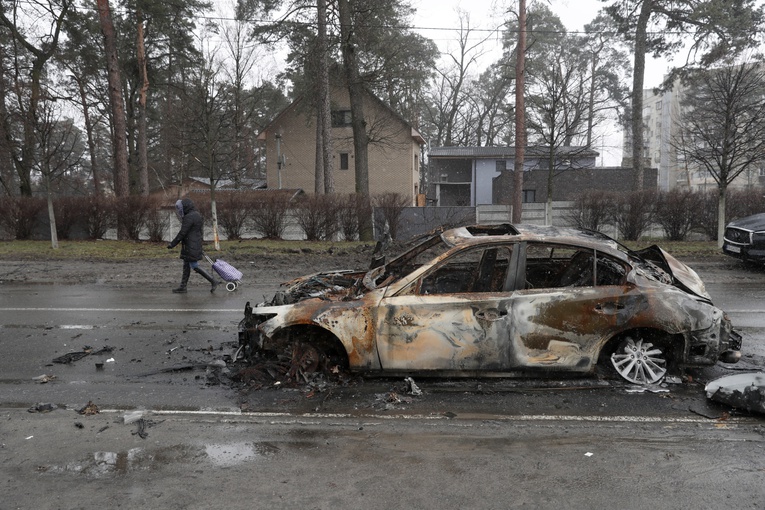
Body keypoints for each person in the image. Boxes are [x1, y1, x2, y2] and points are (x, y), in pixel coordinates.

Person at [167, 198, 220, 293]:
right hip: (194, 243)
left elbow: (183, 232)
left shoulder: (189, 217)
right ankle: (183, 287)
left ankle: (213, 281)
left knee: (194, 265)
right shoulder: (197, 215)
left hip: (190, 245)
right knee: (186, 265)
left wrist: (173, 244)